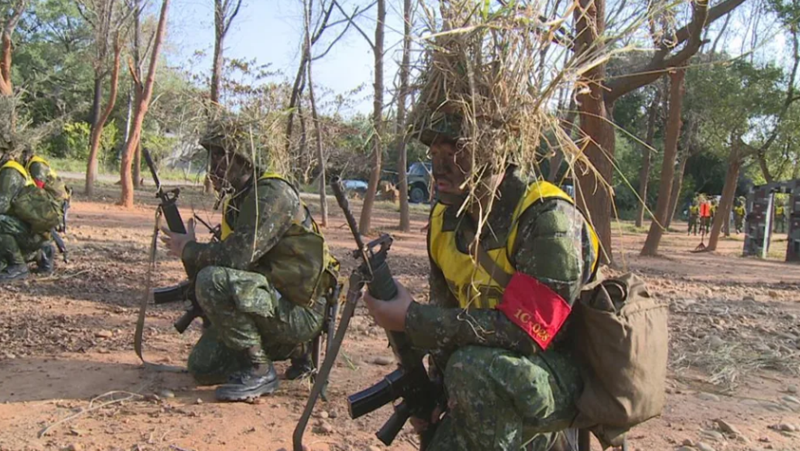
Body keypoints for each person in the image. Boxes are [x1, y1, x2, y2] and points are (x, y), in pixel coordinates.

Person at [362, 112, 599, 450]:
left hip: (561, 374)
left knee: (471, 368)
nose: (439, 168)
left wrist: (412, 318)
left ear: (495, 152)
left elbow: (525, 333)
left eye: (455, 153)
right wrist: (435, 392)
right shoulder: (445, 219)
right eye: (434, 154)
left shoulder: (548, 219)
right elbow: (447, 322)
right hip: (483, 375)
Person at [159, 121, 339, 402]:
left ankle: (259, 369)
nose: (215, 165)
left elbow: (235, 259)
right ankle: (294, 349)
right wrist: (192, 252)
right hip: (270, 301)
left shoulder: (271, 193)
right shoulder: (239, 199)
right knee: (202, 367)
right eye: (212, 156)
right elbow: (231, 264)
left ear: (244, 159)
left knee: (212, 281)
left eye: (223, 156)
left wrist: (189, 250)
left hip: (300, 310)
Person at [0, 152, 54, 281]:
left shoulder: (10, 172)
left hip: (31, 232)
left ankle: (17, 265)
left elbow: (2, 206)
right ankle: (39, 253)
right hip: (34, 231)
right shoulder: (13, 168)